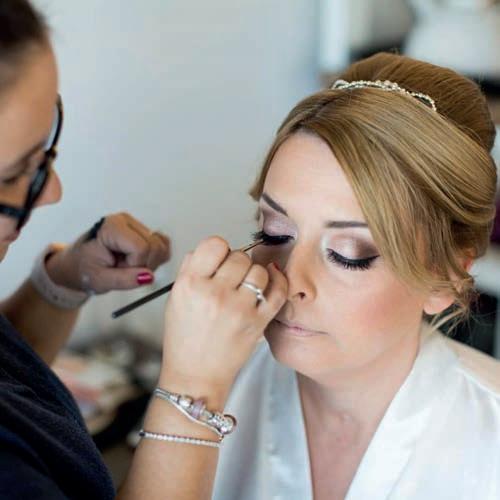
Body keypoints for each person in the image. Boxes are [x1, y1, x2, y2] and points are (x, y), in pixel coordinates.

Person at [121, 55, 500, 499]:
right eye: (274, 232)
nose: (291, 281)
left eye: (348, 255)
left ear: (445, 278)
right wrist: (188, 395)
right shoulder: (210, 376)